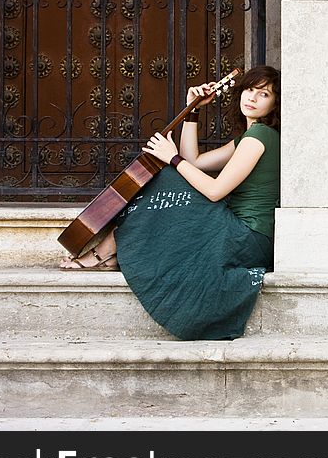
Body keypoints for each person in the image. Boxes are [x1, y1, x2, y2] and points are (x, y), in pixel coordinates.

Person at [60, 65, 281, 340]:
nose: (252, 97)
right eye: (249, 89)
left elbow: (214, 190)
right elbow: (195, 162)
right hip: (239, 231)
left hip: (247, 236)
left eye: (263, 94)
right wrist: (193, 110)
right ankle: (111, 250)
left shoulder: (260, 137)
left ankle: (107, 249)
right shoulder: (248, 138)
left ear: (274, 105)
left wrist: (172, 158)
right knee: (171, 173)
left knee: (165, 176)